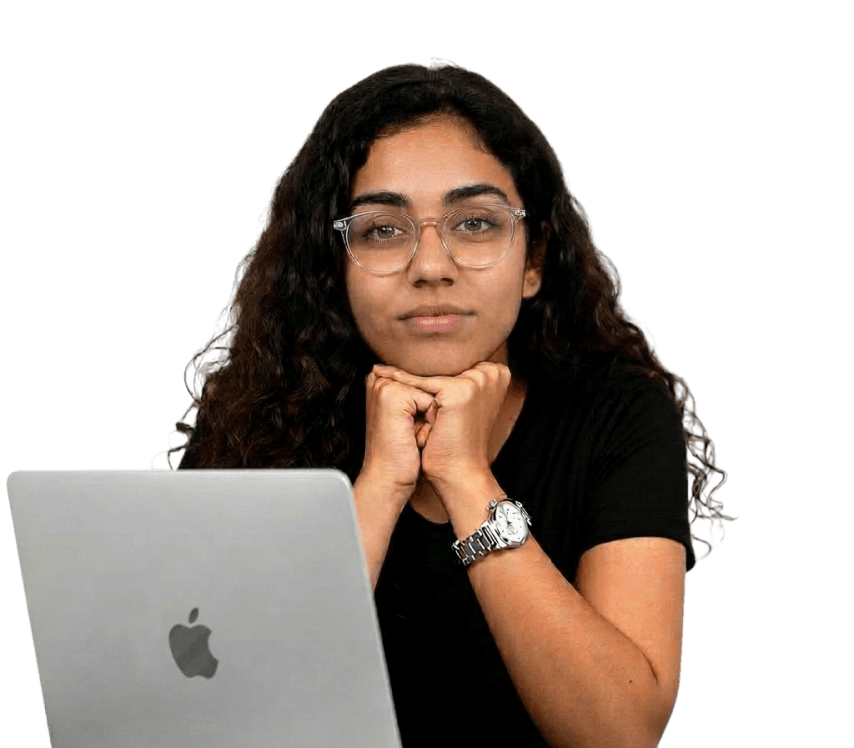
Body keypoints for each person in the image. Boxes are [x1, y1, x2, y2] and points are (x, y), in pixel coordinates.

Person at [155, 58, 734, 748]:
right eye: (382, 231)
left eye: (476, 224)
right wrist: (381, 488)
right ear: (334, 267)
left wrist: (466, 480)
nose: (431, 266)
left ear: (534, 260)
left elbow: (618, 733)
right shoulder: (255, 418)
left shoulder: (619, 416)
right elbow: (222, 722)